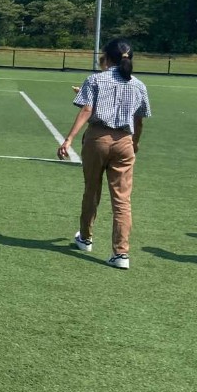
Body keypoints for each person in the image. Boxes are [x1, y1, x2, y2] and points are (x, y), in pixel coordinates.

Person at [57, 39, 152, 270]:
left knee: (92, 189)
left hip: (98, 139)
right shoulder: (139, 85)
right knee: (122, 200)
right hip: (125, 142)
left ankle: (86, 237)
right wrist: (135, 143)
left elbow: (87, 109)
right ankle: (121, 253)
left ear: (106, 57)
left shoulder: (96, 79)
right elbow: (139, 120)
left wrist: (68, 139)